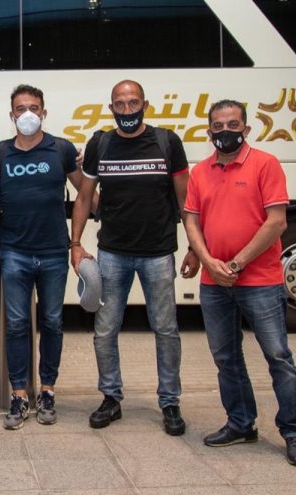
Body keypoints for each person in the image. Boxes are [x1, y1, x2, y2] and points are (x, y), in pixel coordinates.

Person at [183, 99, 296, 466]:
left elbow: (277, 222)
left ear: (246, 129)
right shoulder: (200, 172)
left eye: (233, 125)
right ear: (209, 131)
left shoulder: (265, 164)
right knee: (226, 357)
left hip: (259, 280)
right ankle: (241, 423)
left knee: (278, 356)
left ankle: (293, 431)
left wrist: (236, 263)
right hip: (214, 281)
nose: (225, 131)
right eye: (218, 126)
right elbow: (192, 221)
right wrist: (208, 261)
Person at [71, 79, 200, 436]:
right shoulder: (100, 143)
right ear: (111, 108)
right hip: (112, 253)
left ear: (145, 105)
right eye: (120, 104)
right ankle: (111, 397)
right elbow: (84, 197)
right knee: (105, 329)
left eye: (133, 103)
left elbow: (186, 202)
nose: (127, 110)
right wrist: (76, 244)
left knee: (166, 329)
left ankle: (170, 402)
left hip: (159, 253)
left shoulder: (167, 142)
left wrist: (194, 247)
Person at [0, 85, 81, 430]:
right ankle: (20, 395)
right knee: (17, 325)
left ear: (43, 112)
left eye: (33, 108)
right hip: (14, 253)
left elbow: (85, 191)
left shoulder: (61, 149)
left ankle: (48, 391)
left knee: (52, 322)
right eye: (21, 108)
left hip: (54, 253)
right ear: (11, 115)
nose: (27, 114)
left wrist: (92, 230)